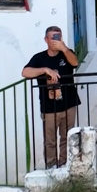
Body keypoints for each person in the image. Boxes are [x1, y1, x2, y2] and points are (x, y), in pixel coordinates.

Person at [22, 26, 80, 168]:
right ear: (46, 39)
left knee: (67, 137)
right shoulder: (39, 58)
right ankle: (51, 167)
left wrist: (64, 48)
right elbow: (25, 72)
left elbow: (75, 63)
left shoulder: (66, 53)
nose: (55, 41)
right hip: (49, 108)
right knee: (50, 140)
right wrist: (44, 70)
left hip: (69, 103)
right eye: (52, 37)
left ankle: (65, 165)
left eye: (58, 37)